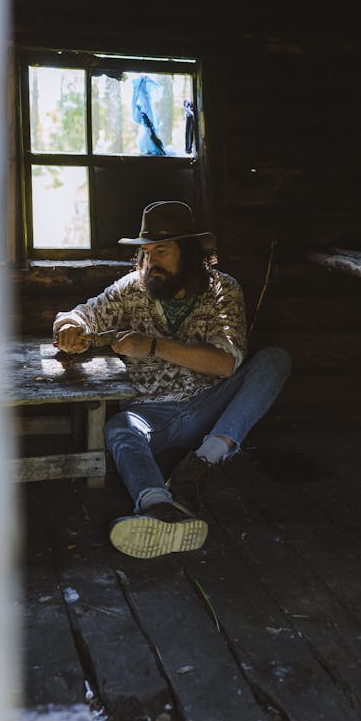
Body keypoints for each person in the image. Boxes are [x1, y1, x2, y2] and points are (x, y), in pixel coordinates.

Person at [53, 201, 291, 559]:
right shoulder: (131, 289)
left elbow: (226, 363)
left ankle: (200, 466)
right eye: (146, 252)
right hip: (151, 415)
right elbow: (79, 314)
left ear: (190, 252)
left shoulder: (223, 291)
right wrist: (69, 327)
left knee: (275, 361)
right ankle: (157, 505)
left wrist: (151, 345)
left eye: (161, 251)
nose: (151, 262)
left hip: (213, 405)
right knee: (119, 428)